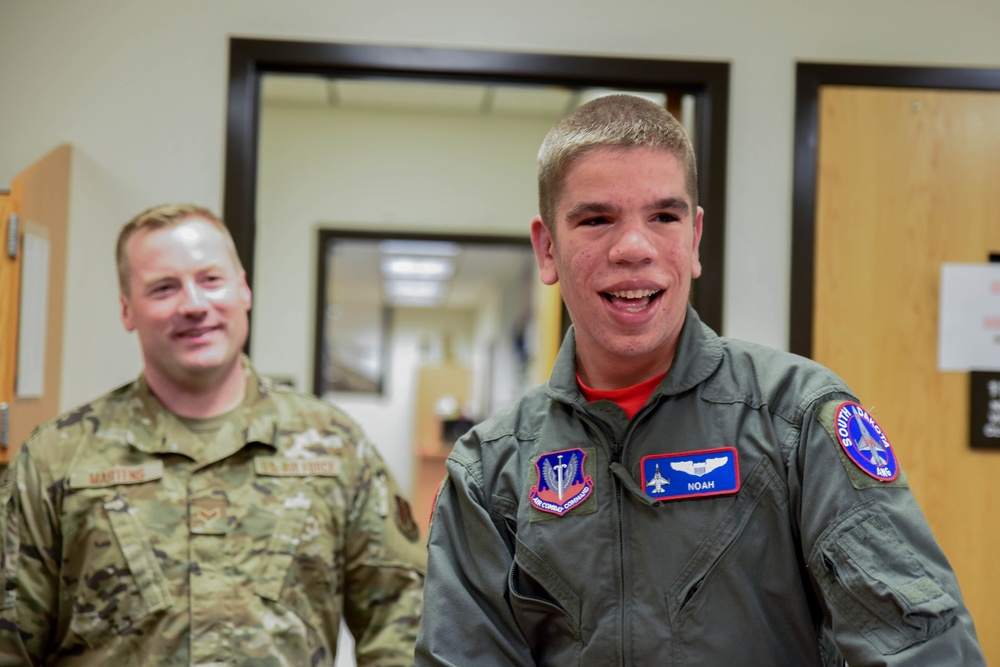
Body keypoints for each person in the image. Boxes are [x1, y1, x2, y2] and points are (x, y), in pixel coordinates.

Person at [415, 95, 984, 666]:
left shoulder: (796, 419)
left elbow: (924, 648)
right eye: (596, 219)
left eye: (664, 216)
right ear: (547, 248)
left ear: (694, 239)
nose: (634, 248)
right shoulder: (491, 473)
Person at [0, 204, 425, 666]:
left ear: (243, 289)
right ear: (127, 310)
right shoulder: (56, 457)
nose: (193, 305)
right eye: (163, 288)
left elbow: (403, 625)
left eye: (210, 280)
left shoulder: (335, 445)